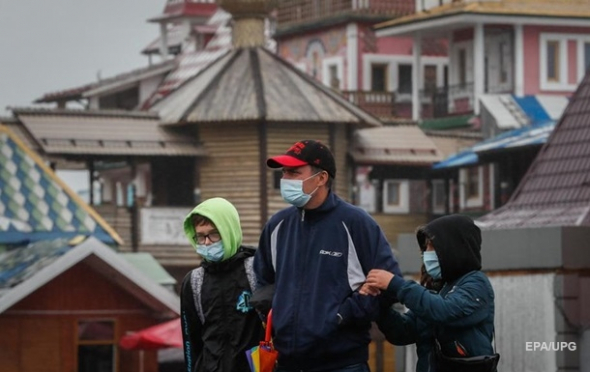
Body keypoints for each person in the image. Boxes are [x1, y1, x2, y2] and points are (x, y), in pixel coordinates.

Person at [254, 139, 402, 372]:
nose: (286, 180)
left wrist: (341, 316)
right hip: (286, 363)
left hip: (342, 363)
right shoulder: (277, 225)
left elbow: (389, 282)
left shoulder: (355, 223)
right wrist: (278, 317)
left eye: (294, 172)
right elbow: (262, 283)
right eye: (284, 173)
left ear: (321, 178)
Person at [360, 214, 496, 372]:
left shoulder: (476, 284)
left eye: (432, 246)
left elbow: (443, 311)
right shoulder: (437, 287)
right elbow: (403, 332)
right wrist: (380, 303)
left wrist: (396, 284)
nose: (426, 253)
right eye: (425, 248)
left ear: (452, 247)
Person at [180, 197, 264, 372]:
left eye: (214, 234)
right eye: (201, 237)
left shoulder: (258, 269)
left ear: (229, 231)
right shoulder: (194, 282)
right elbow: (191, 341)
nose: (207, 242)